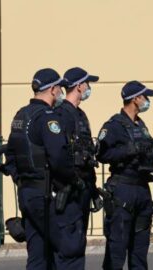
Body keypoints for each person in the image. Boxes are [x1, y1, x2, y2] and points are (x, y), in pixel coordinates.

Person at [5, 68, 86, 270]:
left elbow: (10, 154)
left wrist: (21, 179)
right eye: (59, 87)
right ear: (52, 89)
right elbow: (59, 157)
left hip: (27, 193)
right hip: (46, 194)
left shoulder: (21, 115)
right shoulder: (47, 118)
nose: (60, 91)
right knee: (69, 250)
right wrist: (73, 179)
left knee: (38, 254)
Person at [96, 80, 153, 270]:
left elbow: (146, 149)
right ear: (135, 99)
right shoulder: (114, 125)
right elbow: (101, 154)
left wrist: (152, 149)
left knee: (140, 249)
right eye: (145, 97)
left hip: (141, 188)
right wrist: (128, 150)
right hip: (123, 188)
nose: (147, 101)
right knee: (117, 247)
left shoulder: (140, 124)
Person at [56, 67, 103, 233]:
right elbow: (59, 153)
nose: (88, 88)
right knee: (70, 239)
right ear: (79, 86)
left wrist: (94, 190)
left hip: (84, 185)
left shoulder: (81, 114)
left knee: (79, 237)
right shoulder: (61, 113)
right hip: (70, 187)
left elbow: (87, 154)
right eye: (87, 84)